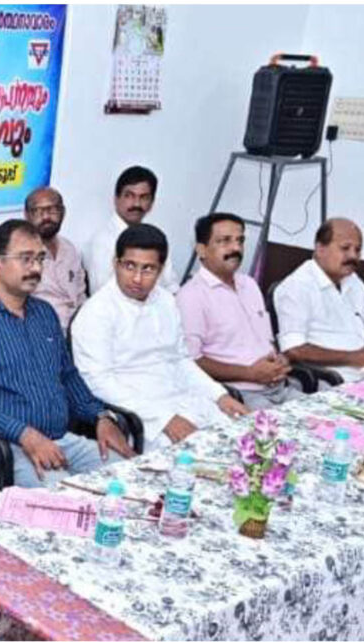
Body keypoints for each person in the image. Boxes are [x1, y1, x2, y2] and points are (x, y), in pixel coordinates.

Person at [0, 220, 135, 489]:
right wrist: (24, 435)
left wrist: (101, 417)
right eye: (26, 259)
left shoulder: (45, 313)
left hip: (64, 440)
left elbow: (68, 376)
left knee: (132, 475)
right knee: (67, 501)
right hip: (10, 449)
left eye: (39, 258)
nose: (36, 268)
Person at [73, 224, 249, 452]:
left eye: (148, 269)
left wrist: (219, 395)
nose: (137, 278)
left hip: (184, 397)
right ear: (115, 263)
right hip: (140, 416)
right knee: (194, 458)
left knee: (245, 438)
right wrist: (164, 419)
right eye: (129, 266)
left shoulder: (165, 301)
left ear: (161, 270)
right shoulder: (96, 312)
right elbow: (98, 382)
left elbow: (181, 360)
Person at [176, 213, 301, 409]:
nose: (236, 248)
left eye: (240, 241)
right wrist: (250, 373)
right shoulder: (191, 296)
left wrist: (279, 360)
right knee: (281, 428)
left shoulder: (249, 284)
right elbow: (192, 361)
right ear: (202, 249)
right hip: (239, 396)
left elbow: (262, 341)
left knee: (330, 418)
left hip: (280, 387)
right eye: (225, 241)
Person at [273, 218, 364, 383]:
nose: (353, 256)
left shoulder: (353, 281)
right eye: (345, 248)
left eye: (358, 249)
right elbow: (293, 349)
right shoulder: (298, 286)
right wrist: (355, 358)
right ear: (320, 249)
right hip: (336, 380)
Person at [82, 166, 179, 295]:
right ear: (116, 199)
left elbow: (172, 286)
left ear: (152, 203)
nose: (136, 204)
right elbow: (103, 293)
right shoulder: (102, 242)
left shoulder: (155, 239)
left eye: (144, 197)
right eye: (129, 196)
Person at [24, 187, 87, 331]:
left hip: (80, 329)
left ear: (63, 213)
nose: (46, 217)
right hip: (44, 333)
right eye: (38, 211)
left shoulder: (70, 249)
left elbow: (80, 295)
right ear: (27, 215)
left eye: (52, 210)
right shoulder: (22, 256)